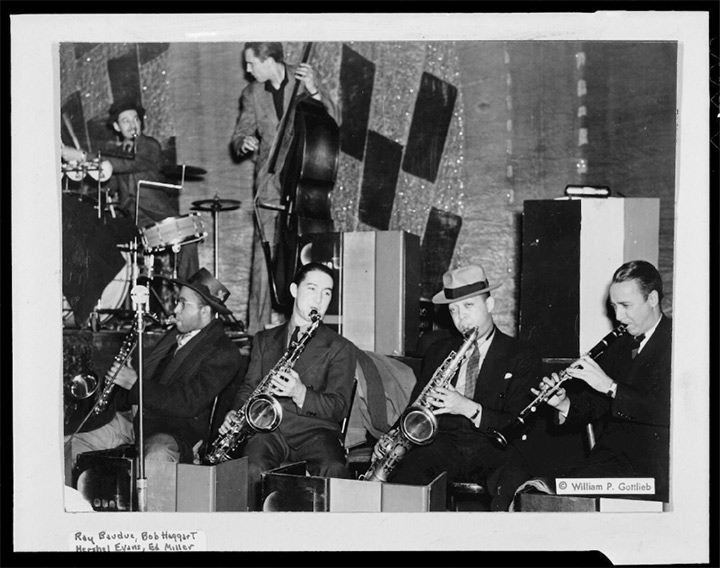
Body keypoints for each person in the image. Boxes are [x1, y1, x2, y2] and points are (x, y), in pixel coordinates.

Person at [376, 264, 542, 510]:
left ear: (490, 305)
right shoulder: (438, 352)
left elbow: (518, 421)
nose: (461, 317)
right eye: (453, 310)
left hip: (493, 444)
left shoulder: (521, 355)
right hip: (443, 442)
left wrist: (467, 408)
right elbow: (416, 405)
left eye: (468, 306)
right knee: (408, 477)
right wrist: (393, 436)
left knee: (514, 478)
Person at [65, 268, 243, 469]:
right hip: (137, 422)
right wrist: (119, 384)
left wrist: (134, 383)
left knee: (156, 457)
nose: (175, 310)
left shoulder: (224, 352)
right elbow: (146, 385)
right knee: (72, 445)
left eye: (183, 304)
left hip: (176, 434)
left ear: (204, 311)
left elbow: (188, 402)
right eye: (177, 302)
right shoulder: (172, 337)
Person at [219, 262, 356, 510]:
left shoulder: (341, 348)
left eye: (327, 292)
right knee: (250, 469)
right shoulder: (263, 340)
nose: (319, 299)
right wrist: (235, 411)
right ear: (294, 290)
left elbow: (339, 408)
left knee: (334, 469)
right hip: (268, 430)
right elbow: (249, 387)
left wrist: (300, 392)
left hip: (316, 431)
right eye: (312, 288)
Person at [532, 260, 671, 502]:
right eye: (614, 306)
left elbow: (666, 411)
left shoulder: (679, 341)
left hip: (655, 470)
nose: (618, 316)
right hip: (610, 464)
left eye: (626, 306)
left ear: (652, 299)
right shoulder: (619, 345)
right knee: (541, 492)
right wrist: (562, 403)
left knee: (562, 498)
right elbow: (595, 405)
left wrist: (610, 386)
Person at [230, 42, 340, 334]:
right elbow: (241, 133)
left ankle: (306, 326)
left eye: (252, 63)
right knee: (263, 260)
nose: (248, 69)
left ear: (270, 60)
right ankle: (257, 332)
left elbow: (332, 119)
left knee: (303, 253)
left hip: (303, 178)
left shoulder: (303, 77)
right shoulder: (252, 94)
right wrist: (244, 142)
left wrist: (314, 89)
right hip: (269, 182)